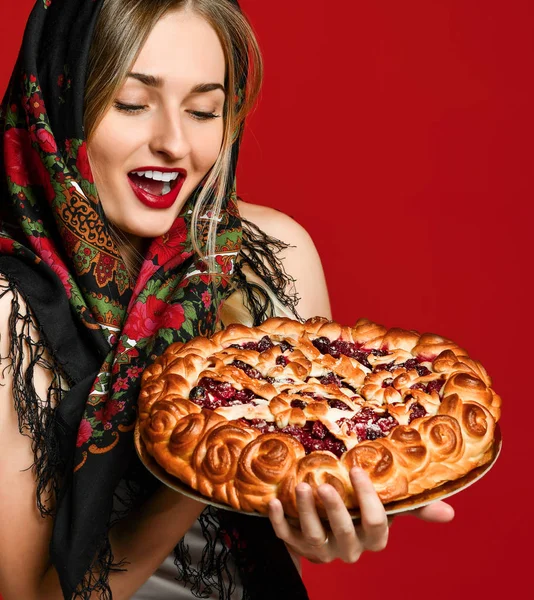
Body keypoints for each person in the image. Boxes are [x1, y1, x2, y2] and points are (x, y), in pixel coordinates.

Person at [0, 1, 454, 598]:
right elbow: (30, 596)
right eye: (132, 103)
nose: (173, 142)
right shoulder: (11, 307)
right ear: (56, 103)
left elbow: (295, 504)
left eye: (203, 110)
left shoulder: (278, 256)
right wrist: (206, 459)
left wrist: (333, 511)